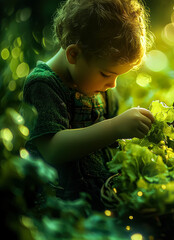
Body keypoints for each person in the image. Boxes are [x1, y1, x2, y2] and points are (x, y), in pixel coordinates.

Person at [21, 0, 155, 210]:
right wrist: (115, 127)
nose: (112, 84)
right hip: (59, 209)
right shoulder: (43, 85)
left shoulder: (99, 88)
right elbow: (52, 149)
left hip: (99, 203)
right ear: (73, 54)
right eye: (106, 74)